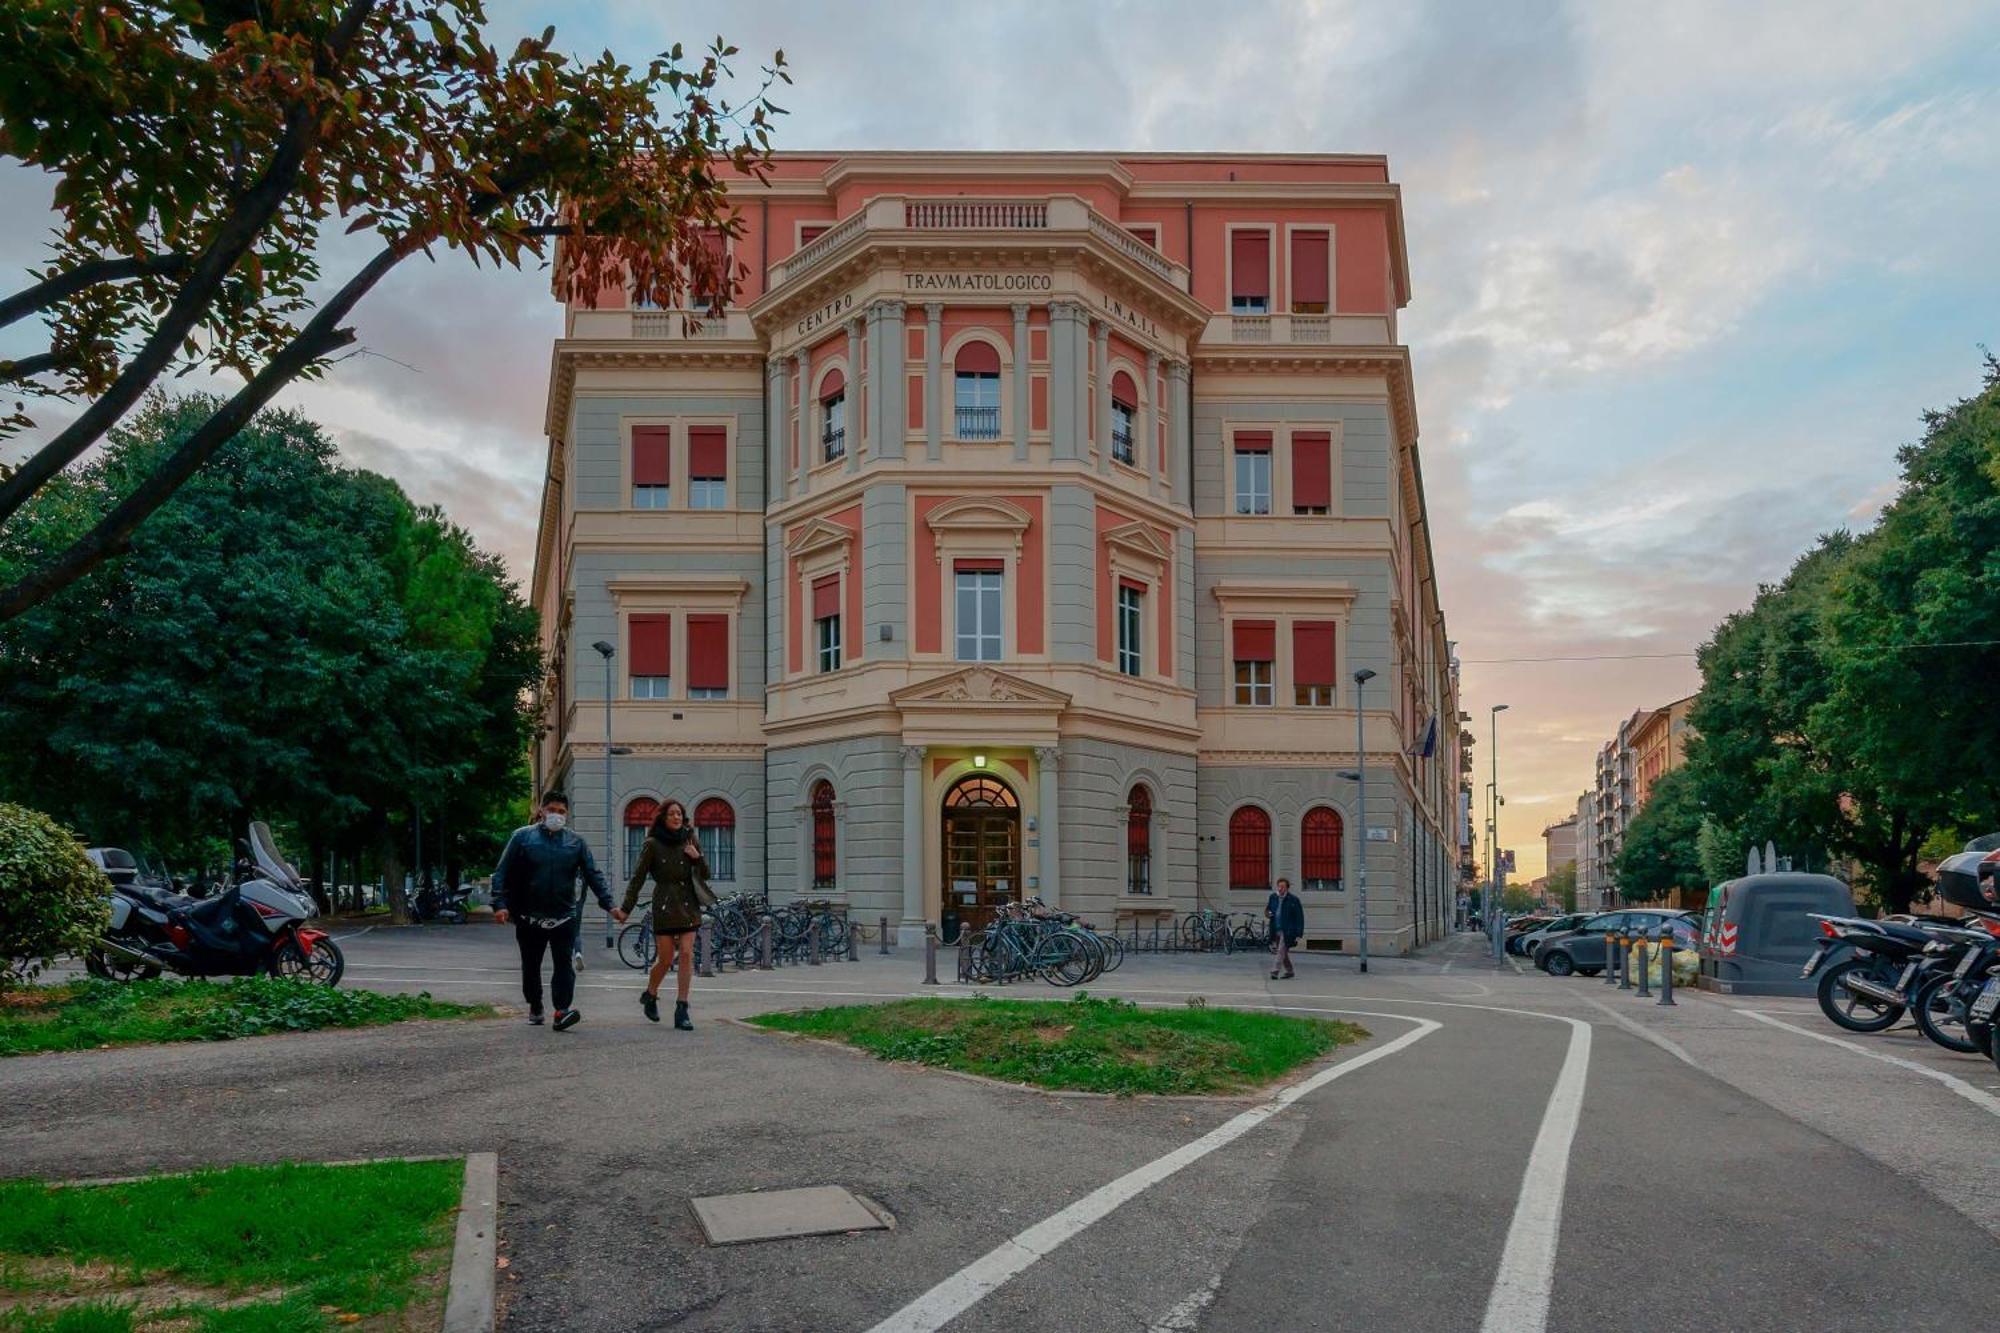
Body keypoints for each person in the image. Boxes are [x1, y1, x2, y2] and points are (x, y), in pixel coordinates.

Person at [492, 791, 622, 1031]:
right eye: (552, 810)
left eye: (561, 812)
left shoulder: (576, 843)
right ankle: (535, 1005)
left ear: (567, 815)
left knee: (564, 966)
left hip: (564, 916)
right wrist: (500, 905)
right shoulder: (522, 838)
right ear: (541, 811)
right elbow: (501, 872)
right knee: (531, 966)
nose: (556, 815)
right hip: (529, 917)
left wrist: (610, 905)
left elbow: (594, 875)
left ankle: (562, 1010)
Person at [623, 798, 712, 1031]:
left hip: (688, 903)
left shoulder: (691, 839)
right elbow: (638, 878)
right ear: (663, 817)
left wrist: (697, 857)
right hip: (664, 904)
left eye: (680, 814)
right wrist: (625, 908)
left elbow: (706, 874)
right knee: (664, 959)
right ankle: (650, 994)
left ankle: (682, 1008)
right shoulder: (652, 844)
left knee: (685, 954)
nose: (676, 817)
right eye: (672, 814)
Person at [1266, 876, 1304, 980]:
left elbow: (1299, 917)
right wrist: (1268, 913)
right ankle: (1290, 971)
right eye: (1278, 886)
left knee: (1280, 951)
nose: (1280, 889)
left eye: (1282, 887)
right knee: (1283, 952)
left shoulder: (1293, 900)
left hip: (1288, 930)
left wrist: (1299, 933)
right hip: (1276, 928)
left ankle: (1274, 971)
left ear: (1287, 888)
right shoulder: (1273, 897)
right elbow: (1268, 909)